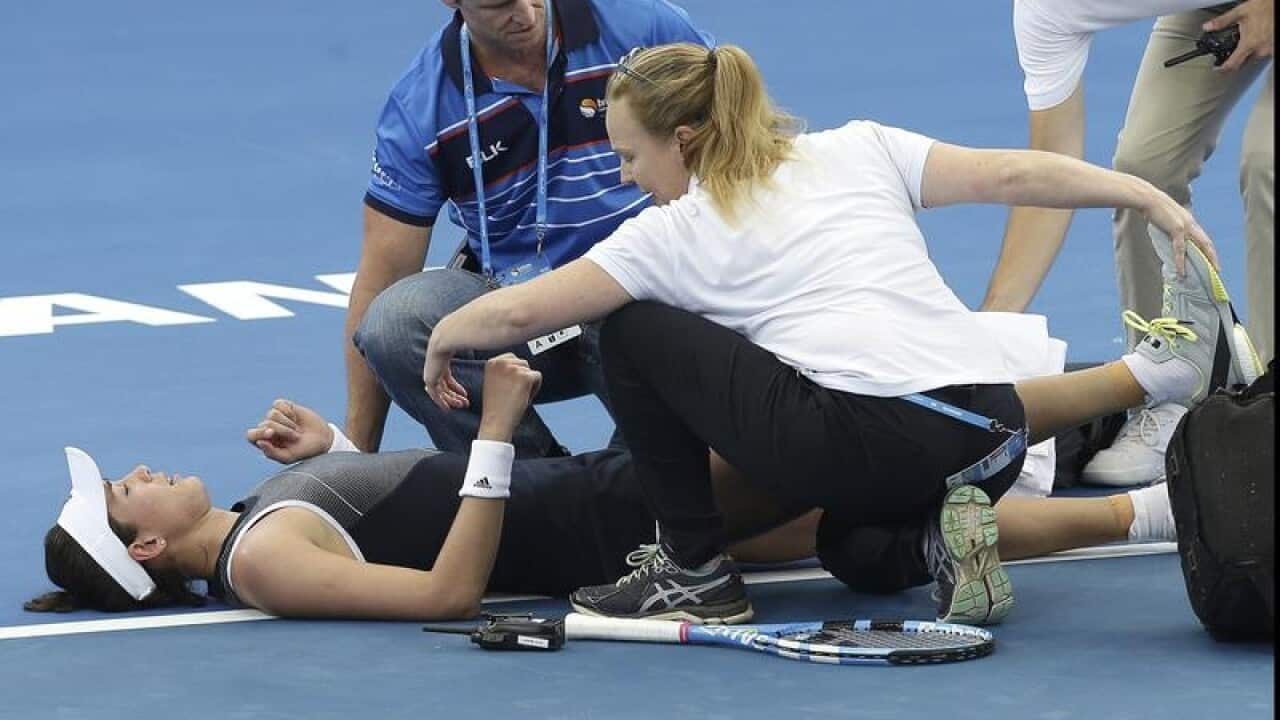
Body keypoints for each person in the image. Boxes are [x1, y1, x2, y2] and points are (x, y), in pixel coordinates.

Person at [421, 43, 1263, 626]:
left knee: (630, 330)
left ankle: (694, 572)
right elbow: (1011, 171)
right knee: (848, 545)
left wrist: (440, 333)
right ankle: (932, 537)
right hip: (996, 429)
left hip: (867, 435)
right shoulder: (861, 147)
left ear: (684, 141)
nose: (628, 178)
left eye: (631, 158)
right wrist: (1143, 194)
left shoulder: (670, 235)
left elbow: (528, 311)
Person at [24, 353, 1179, 618]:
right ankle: (1151, 376)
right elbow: (443, 596)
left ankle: (1150, 507)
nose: (135, 473)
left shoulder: (263, 511)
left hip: (598, 496)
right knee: (877, 420)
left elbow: (405, 506)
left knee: (885, 527)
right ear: (149, 554)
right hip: (612, 517)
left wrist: (334, 443)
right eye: (123, 498)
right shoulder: (265, 561)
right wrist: (500, 436)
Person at [345, 0, 712, 460]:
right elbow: (383, 276)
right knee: (395, 325)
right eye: (498, 4)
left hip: (648, 293)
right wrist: (354, 457)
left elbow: (736, 147)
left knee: (659, 482)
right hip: (526, 309)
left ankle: (643, 484)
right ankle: (534, 496)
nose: (527, 14)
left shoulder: (645, 27)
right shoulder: (421, 106)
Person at [986, 0, 1273, 487]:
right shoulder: (1047, 9)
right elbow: (1051, 171)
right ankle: (1169, 385)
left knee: (1267, 163)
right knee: (1143, 171)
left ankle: (1268, 404)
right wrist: (987, 328)